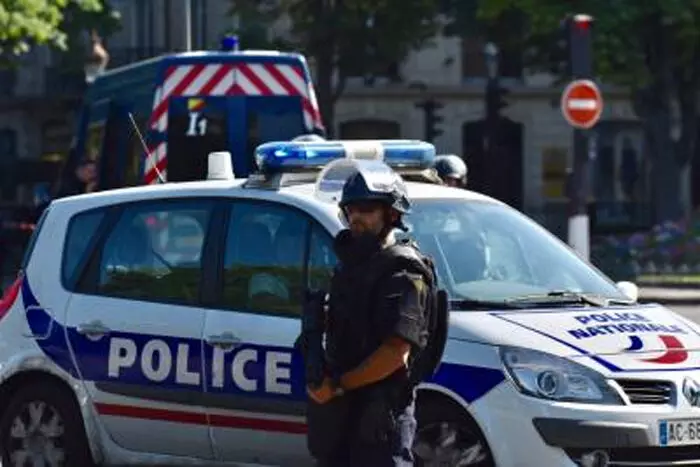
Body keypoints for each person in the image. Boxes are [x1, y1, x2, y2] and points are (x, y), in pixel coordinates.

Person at [302, 161, 443, 467]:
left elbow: (395, 354)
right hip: (342, 413)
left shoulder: (403, 272)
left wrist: (338, 385)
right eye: (350, 209)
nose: (355, 217)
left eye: (366, 209)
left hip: (379, 417)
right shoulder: (351, 267)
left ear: (391, 215)